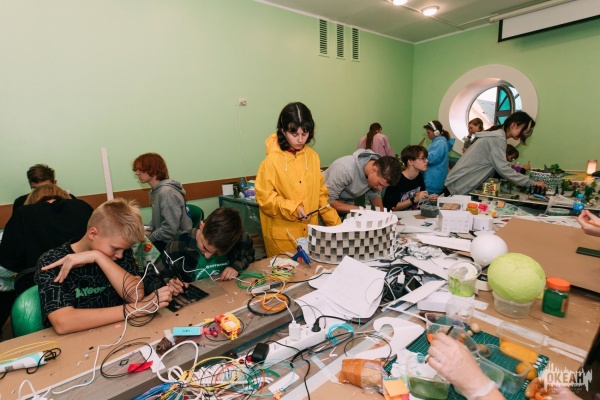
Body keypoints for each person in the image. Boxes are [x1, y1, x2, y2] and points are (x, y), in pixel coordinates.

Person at [34, 198, 173, 334]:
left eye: (123, 250)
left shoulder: (120, 253)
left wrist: (99, 257)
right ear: (93, 234)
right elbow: (63, 323)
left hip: (119, 333)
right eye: (115, 248)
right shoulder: (52, 260)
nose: (120, 255)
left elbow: (135, 296)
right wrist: (138, 309)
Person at [255, 102, 341, 257]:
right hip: (283, 239)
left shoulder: (312, 157)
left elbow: (321, 196)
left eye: (305, 134)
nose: (300, 140)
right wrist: (294, 209)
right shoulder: (271, 161)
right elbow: (265, 200)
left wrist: (338, 227)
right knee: (286, 271)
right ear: (283, 131)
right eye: (294, 135)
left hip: (309, 234)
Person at [153, 207, 255, 295]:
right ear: (202, 226)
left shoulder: (240, 238)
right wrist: (168, 283)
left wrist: (236, 266)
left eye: (216, 253)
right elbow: (151, 277)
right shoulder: (180, 243)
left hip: (227, 295)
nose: (207, 256)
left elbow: (249, 257)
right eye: (205, 247)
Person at [445, 111, 547, 195]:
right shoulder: (497, 140)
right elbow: (504, 170)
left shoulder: (497, 137)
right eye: (524, 129)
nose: (524, 134)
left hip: (457, 184)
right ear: (514, 125)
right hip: (457, 186)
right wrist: (532, 183)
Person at [0, 184, 93, 275]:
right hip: (86, 273)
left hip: (39, 278)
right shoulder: (82, 206)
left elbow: (8, 262)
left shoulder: (23, 213)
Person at [132, 153, 192, 252]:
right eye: (136, 170)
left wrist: (148, 239)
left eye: (141, 170)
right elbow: (158, 221)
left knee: (137, 251)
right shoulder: (156, 190)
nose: (137, 173)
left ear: (153, 169)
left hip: (176, 243)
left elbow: (169, 229)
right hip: (167, 238)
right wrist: (148, 231)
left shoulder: (166, 193)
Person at [324, 150, 402, 214]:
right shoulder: (344, 169)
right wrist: (362, 210)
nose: (379, 188)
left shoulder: (378, 172)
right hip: (323, 204)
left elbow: (374, 195)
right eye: (379, 184)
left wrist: (384, 217)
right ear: (374, 170)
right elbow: (329, 200)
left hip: (346, 204)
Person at [383, 145, 436, 211]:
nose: (427, 161)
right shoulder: (396, 179)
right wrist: (414, 199)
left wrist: (428, 198)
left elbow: (420, 199)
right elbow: (390, 207)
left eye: (426, 158)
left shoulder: (419, 176)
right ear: (410, 161)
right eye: (422, 158)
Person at [423, 120, 455, 195]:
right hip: (434, 181)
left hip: (433, 182)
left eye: (428, 133)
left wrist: (419, 156)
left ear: (436, 132)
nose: (427, 135)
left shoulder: (440, 143)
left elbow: (431, 159)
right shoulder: (437, 142)